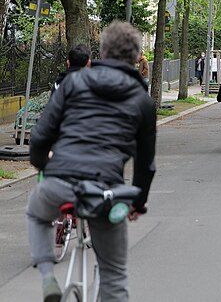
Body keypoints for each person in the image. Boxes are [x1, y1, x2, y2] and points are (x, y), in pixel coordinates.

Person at [26, 21, 156, 302]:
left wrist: (48, 168)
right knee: (114, 274)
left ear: (103, 51)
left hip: (59, 183)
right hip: (105, 193)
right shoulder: (141, 100)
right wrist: (137, 202)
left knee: (36, 213)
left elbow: (40, 138)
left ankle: (48, 277)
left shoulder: (73, 82)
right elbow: (146, 164)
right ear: (136, 57)